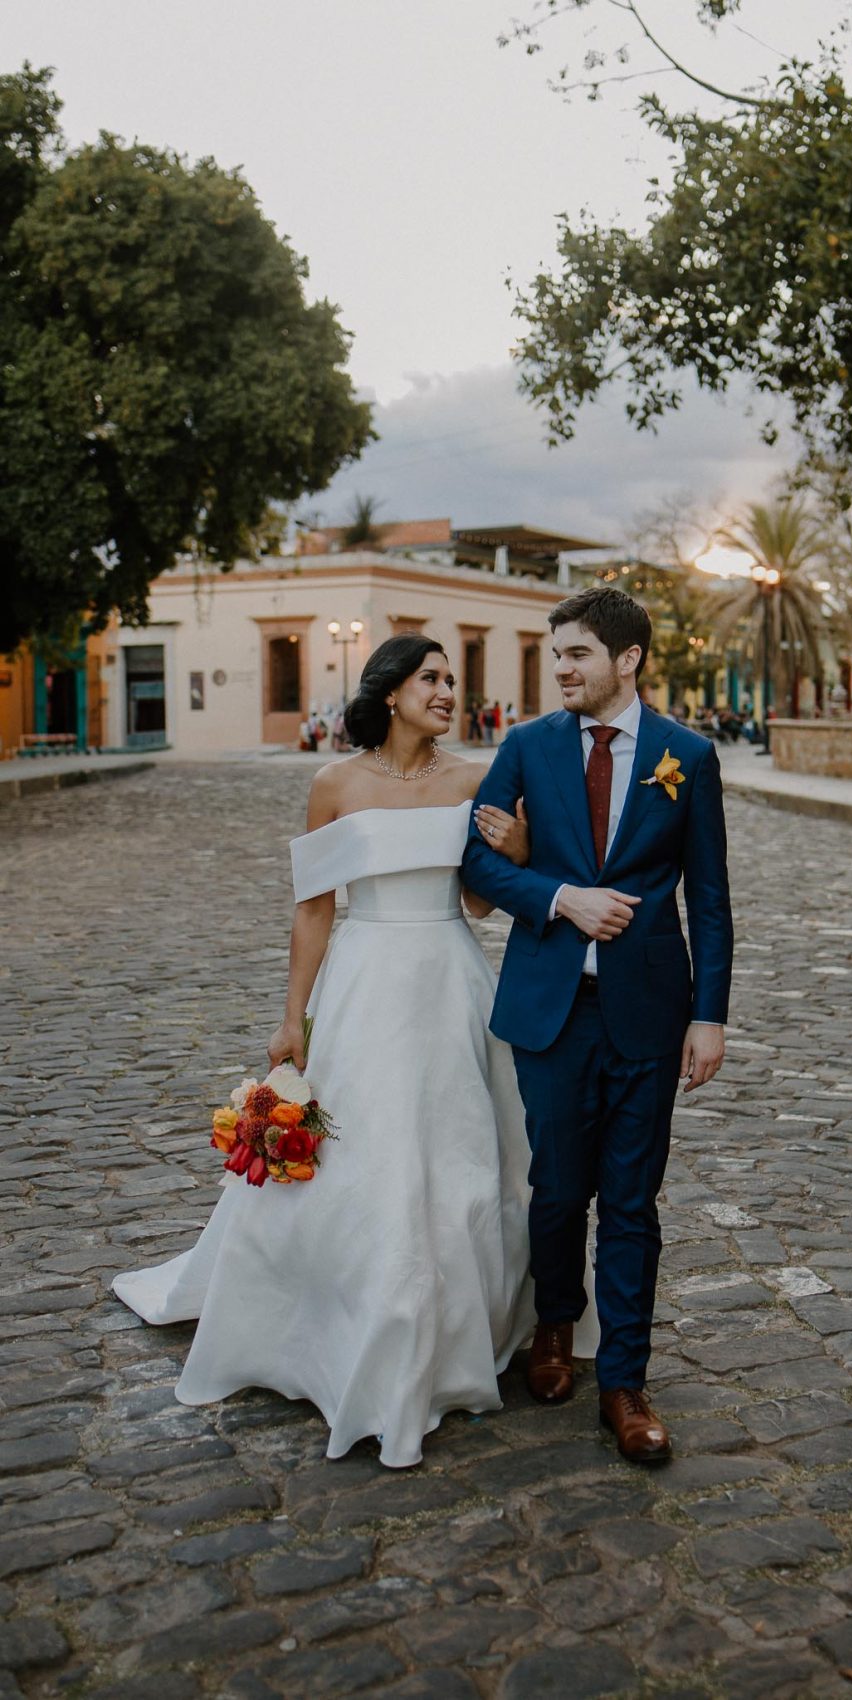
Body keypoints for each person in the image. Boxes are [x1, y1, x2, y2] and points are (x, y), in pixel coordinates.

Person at [112, 636, 596, 1468]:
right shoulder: (334, 784)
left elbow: (480, 902)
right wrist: (292, 1017)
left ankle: (464, 1329)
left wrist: (515, 856)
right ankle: (347, 1330)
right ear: (391, 691)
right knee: (365, 1161)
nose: (448, 691)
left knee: (466, 1155)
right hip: (365, 982)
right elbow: (314, 910)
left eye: (451, 679)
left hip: (450, 981)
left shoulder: (475, 778)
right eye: (431, 679)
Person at [462, 587, 733, 1466]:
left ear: (628, 660)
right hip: (550, 1010)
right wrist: (557, 896)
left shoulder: (687, 756)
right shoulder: (527, 748)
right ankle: (552, 1327)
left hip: (649, 1015)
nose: (561, 670)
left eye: (576, 654)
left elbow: (711, 898)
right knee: (555, 1188)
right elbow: (472, 862)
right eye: (557, 655)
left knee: (631, 1201)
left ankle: (624, 1381)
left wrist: (710, 1017)